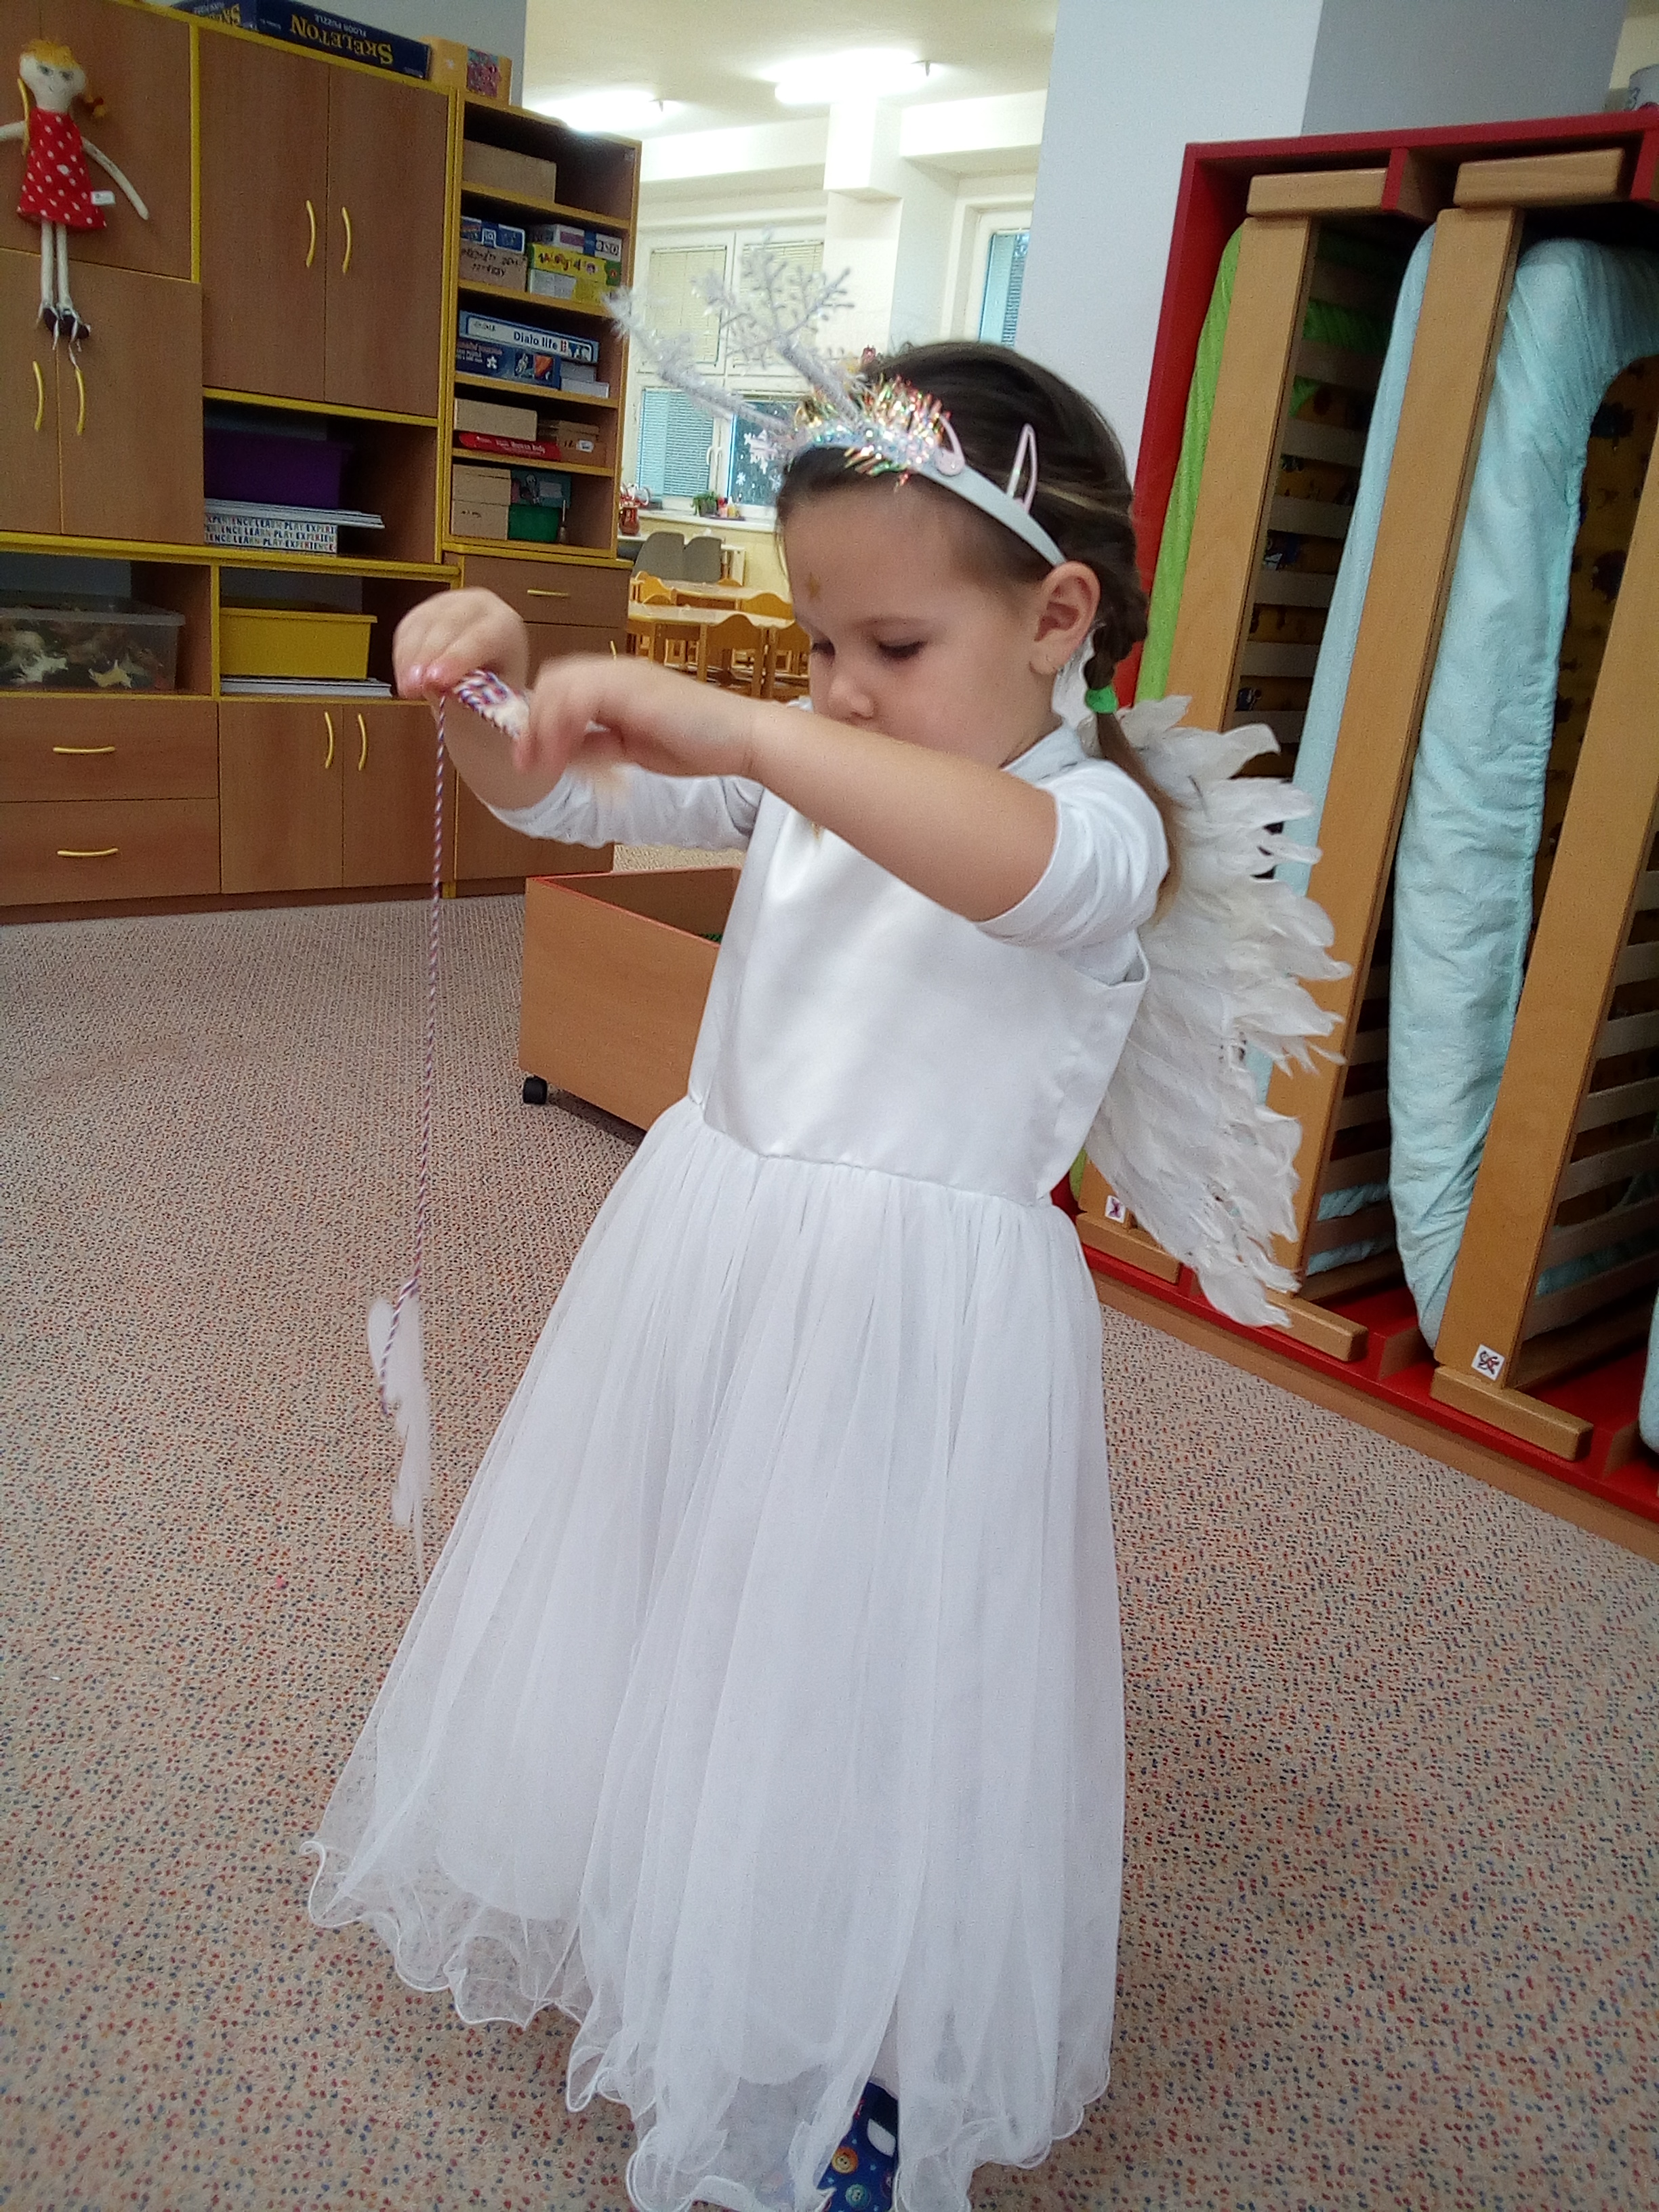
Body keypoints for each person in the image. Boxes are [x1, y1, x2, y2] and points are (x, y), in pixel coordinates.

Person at [306, 341, 1314, 2212]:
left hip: (911, 1332)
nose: (838, 685)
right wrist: (481, 684)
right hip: (715, 1249)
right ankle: (676, 1904)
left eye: (892, 645)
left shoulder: (1099, 822)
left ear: (1058, 619)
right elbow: (558, 796)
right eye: (817, 641)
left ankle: (869, 2048)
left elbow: (1023, 879)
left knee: (864, 1675)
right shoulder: (822, 767)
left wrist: (762, 732)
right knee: (680, 1584)